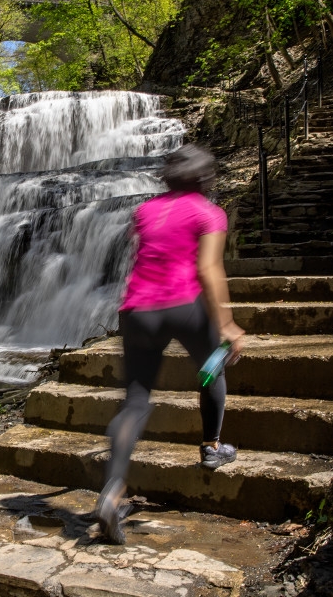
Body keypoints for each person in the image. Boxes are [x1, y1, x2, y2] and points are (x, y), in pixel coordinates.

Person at [94, 143, 245, 544]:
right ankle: (212, 446)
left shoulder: (144, 210)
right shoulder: (209, 212)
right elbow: (208, 267)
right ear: (205, 178)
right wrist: (227, 323)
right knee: (212, 365)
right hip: (185, 306)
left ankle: (112, 490)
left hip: (137, 309)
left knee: (137, 400)